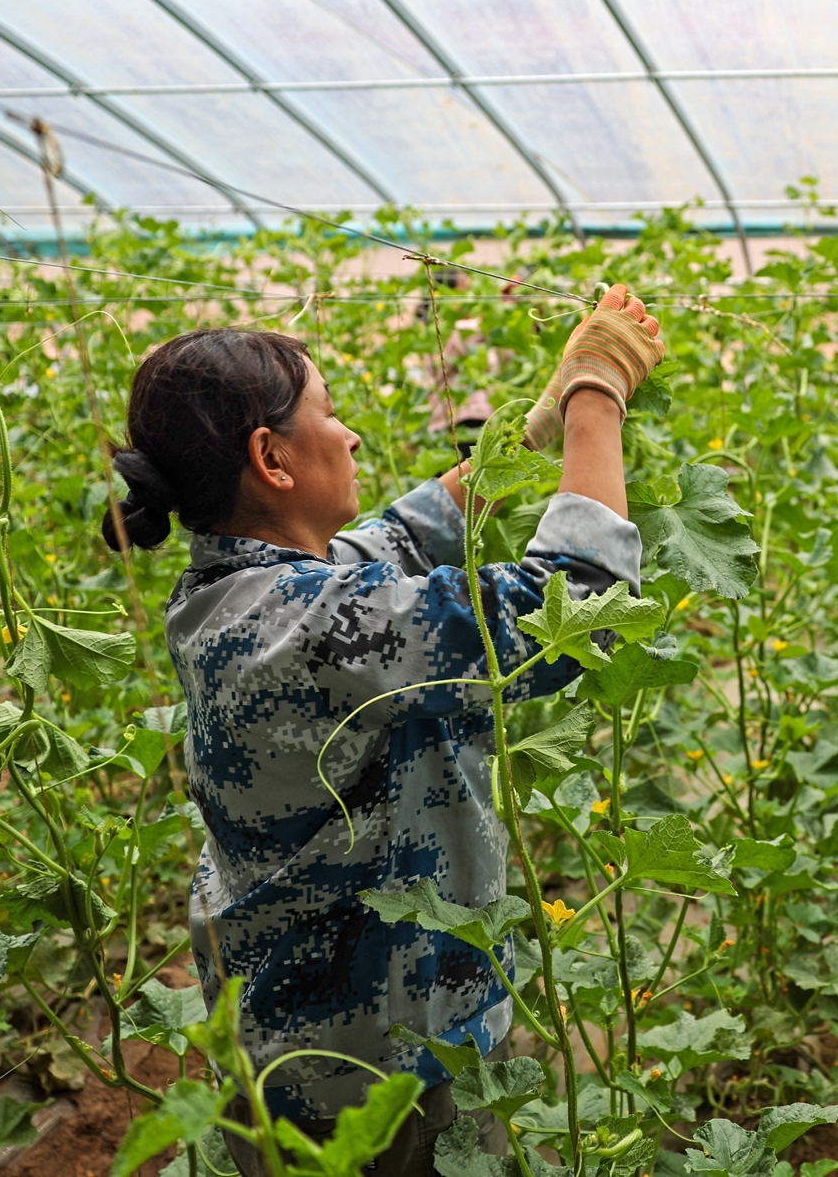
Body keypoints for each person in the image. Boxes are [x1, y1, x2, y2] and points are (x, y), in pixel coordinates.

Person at [100, 284, 665, 1176]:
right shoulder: (308, 626)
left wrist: (544, 418)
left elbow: (400, 536)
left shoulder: (237, 595)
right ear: (272, 458)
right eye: (331, 413)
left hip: (300, 1040)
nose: (353, 435)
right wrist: (601, 397)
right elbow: (581, 610)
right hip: (383, 1063)